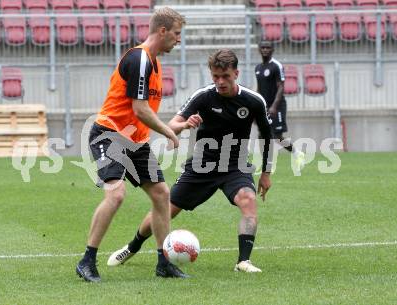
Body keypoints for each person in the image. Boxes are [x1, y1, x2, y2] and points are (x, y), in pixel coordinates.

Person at [107, 49, 273, 274]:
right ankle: (132, 246)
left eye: (225, 76)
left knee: (248, 200)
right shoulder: (203, 96)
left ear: (236, 73)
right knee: (165, 209)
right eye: (215, 76)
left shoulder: (254, 101)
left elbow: (266, 135)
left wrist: (266, 172)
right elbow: (171, 125)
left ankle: (243, 261)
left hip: (235, 165)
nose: (220, 82)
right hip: (202, 166)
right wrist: (185, 124)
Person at [75, 7, 189, 283]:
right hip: (109, 134)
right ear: (162, 31)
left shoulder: (154, 63)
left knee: (162, 194)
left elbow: (141, 114)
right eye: (176, 34)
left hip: (135, 141)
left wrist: (174, 127)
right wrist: (168, 133)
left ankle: (164, 262)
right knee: (116, 195)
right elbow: (139, 109)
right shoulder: (139, 59)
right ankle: (87, 261)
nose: (178, 39)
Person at [255, 40, 304, 173]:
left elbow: (281, 87)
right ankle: (266, 166)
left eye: (268, 47)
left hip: (277, 105)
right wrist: (256, 105)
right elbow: (259, 88)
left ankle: (296, 153)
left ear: (272, 50)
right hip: (264, 106)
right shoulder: (258, 68)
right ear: (259, 49)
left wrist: (274, 106)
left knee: (276, 135)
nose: (265, 49)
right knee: (262, 135)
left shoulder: (276, 66)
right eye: (263, 47)